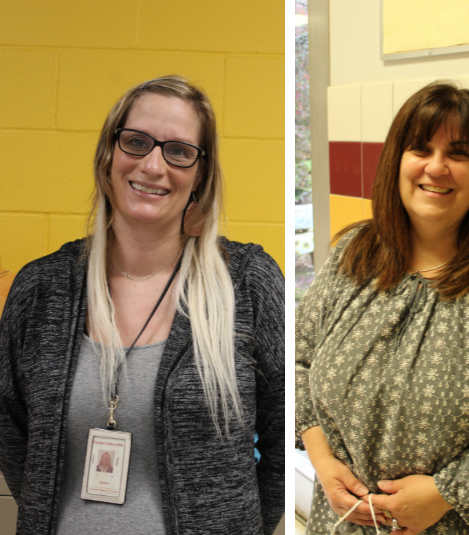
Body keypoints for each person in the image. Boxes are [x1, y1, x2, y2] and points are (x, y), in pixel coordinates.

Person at [0, 76, 284, 534]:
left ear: (201, 175)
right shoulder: (41, 287)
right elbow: (10, 427)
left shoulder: (247, 282)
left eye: (179, 151)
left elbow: (282, 435)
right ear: (109, 155)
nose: (153, 165)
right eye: (136, 142)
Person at [295, 81, 469, 534]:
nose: (437, 167)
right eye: (420, 148)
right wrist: (322, 460)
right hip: (345, 521)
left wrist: (448, 492)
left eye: (460, 153)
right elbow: (299, 358)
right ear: (397, 161)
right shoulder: (355, 253)